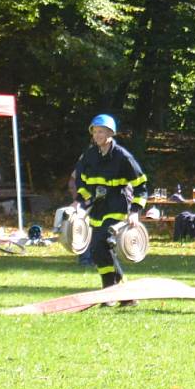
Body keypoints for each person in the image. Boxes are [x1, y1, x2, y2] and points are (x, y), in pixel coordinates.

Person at [72, 114, 147, 305]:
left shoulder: (123, 156)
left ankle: (112, 293)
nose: (97, 135)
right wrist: (80, 201)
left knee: (102, 243)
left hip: (118, 206)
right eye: (95, 132)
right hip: (98, 207)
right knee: (98, 251)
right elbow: (80, 180)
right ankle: (119, 295)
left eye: (101, 132)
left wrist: (135, 211)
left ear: (110, 133)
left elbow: (141, 185)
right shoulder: (89, 155)